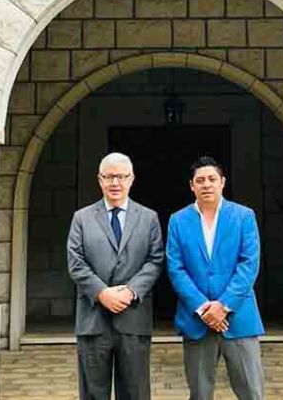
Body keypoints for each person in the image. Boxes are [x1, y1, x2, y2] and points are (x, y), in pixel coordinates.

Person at [166, 156, 266, 400]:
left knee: (252, 392)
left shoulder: (244, 216)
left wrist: (223, 306)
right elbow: (176, 269)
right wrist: (204, 308)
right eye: (200, 180)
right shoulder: (178, 220)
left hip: (238, 317)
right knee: (200, 393)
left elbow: (249, 264)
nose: (206, 184)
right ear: (192, 186)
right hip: (196, 321)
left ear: (222, 182)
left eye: (212, 179)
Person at [67, 152, 164, 400]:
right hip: (93, 320)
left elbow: (155, 260)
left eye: (121, 176)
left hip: (134, 318)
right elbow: (76, 262)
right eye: (109, 176)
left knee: (135, 393)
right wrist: (102, 293)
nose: (115, 183)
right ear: (100, 180)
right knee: (93, 393)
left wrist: (131, 291)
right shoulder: (82, 218)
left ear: (131, 179)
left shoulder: (149, 218)